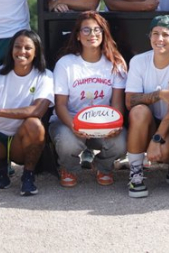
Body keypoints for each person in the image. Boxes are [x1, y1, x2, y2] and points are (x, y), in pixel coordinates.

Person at [0, 29, 54, 197]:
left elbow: (38, 110)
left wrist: (0, 112)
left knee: (34, 124)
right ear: (11, 50)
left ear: (36, 52)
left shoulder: (45, 76)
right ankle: (1, 166)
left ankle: (28, 175)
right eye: (17, 47)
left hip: (21, 140)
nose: (22, 52)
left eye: (28, 48)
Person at [50, 11, 128, 188]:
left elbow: (117, 103)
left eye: (97, 30)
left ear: (103, 33)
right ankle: (68, 168)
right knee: (67, 142)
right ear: (77, 36)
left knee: (121, 141)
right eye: (86, 30)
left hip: (102, 124)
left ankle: (104, 167)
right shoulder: (66, 64)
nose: (92, 34)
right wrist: (74, 125)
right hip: (69, 122)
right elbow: (60, 105)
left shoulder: (116, 63)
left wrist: (116, 124)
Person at [123, 15, 169, 198]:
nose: (159, 39)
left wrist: (156, 141)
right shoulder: (138, 61)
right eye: (155, 34)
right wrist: (160, 95)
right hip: (148, 122)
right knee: (138, 111)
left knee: (164, 153)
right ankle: (135, 172)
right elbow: (130, 101)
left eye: (166, 34)